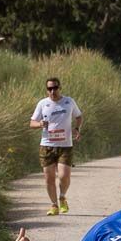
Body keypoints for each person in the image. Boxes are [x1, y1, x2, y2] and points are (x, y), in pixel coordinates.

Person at [29, 77, 83, 216]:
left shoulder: (69, 102)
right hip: (47, 145)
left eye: (55, 88)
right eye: (49, 89)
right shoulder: (42, 104)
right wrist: (40, 124)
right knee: (49, 178)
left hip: (65, 145)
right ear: (47, 90)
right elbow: (32, 123)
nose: (52, 91)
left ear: (60, 88)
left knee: (64, 176)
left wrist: (77, 128)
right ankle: (54, 205)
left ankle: (62, 197)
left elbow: (79, 116)